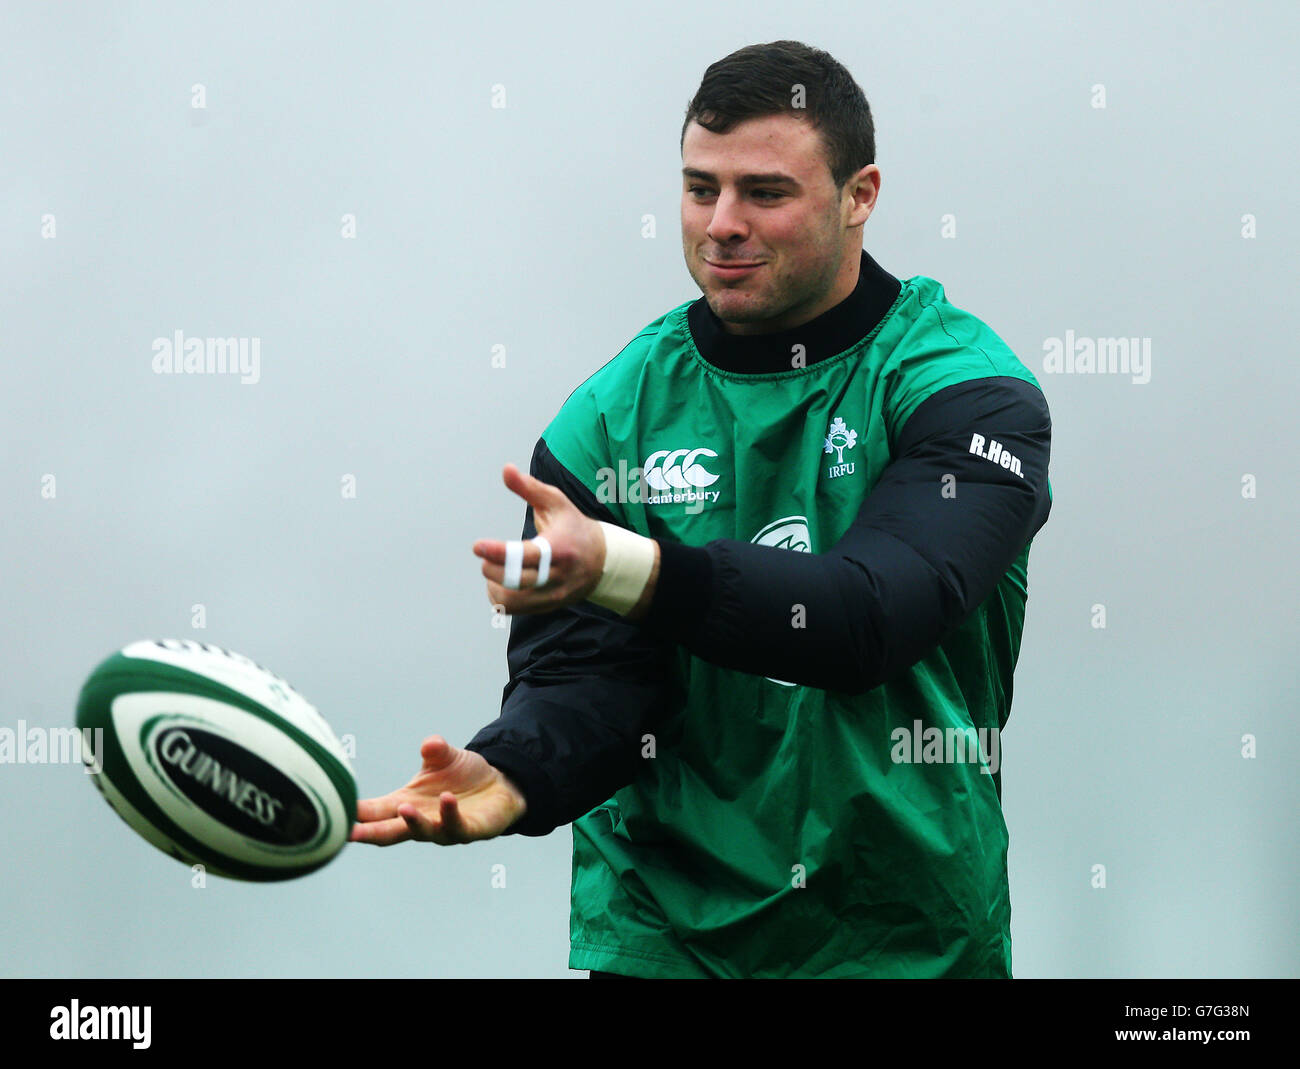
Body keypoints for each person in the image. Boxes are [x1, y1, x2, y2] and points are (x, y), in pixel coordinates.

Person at [351, 40, 1053, 979]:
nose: (722, 223)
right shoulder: (608, 415)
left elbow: (870, 617)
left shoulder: (966, 392)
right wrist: (515, 769)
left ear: (861, 194)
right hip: (665, 943)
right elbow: (596, 682)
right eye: (699, 188)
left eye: (764, 192)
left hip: (903, 941)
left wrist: (623, 567)